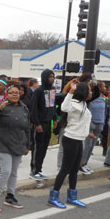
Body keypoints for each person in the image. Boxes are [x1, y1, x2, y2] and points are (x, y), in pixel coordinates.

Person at [0, 84, 31, 212]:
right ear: (7, 94)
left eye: (17, 92)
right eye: (12, 93)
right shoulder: (2, 106)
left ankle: (10, 197)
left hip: (18, 144)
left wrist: (28, 144)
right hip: (2, 144)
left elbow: (27, 128)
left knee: (14, 172)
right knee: (5, 171)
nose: (15, 94)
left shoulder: (24, 108)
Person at [47, 80, 91, 209]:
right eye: (89, 90)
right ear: (83, 92)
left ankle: (72, 197)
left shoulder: (82, 104)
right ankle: (53, 197)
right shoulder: (72, 103)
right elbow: (63, 108)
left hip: (78, 139)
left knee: (74, 169)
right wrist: (70, 91)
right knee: (65, 169)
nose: (91, 92)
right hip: (70, 139)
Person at [29, 69, 58, 181]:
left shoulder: (52, 90)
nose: (52, 78)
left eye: (53, 76)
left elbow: (52, 105)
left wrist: (54, 119)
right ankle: (34, 170)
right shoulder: (39, 91)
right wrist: (37, 123)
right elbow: (34, 108)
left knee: (44, 148)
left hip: (48, 123)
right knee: (38, 147)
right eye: (50, 76)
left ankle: (39, 169)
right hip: (40, 123)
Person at [79, 81, 106, 174]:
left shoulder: (103, 99)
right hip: (91, 123)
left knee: (92, 146)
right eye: (104, 86)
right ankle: (81, 164)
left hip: (99, 123)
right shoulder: (90, 99)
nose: (105, 88)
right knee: (87, 145)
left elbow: (105, 111)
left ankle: (85, 163)